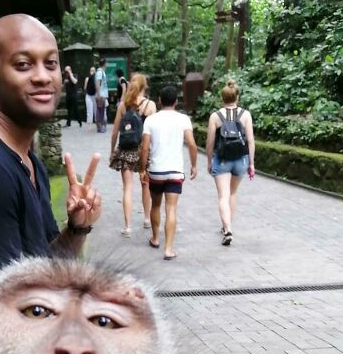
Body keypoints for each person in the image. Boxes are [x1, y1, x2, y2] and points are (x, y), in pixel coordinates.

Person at [0, 13, 102, 293]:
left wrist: (77, 229)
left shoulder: (29, 162)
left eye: (51, 64)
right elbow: (10, 302)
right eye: (23, 65)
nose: (42, 77)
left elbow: (45, 263)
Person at [139, 85, 198, 260]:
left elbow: (144, 148)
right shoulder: (183, 119)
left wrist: (142, 169)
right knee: (171, 208)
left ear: (159, 101)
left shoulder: (150, 120)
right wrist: (194, 165)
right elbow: (192, 145)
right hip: (175, 171)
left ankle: (156, 238)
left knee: (155, 205)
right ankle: (168, 248)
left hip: (156, 171)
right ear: (176, 102)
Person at [206, 79, 255, 246]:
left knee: (223, 196)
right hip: (241, 160)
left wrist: (209, 160)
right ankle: (227, 225)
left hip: (222, 160)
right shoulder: (245, 115)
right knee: (232, 193)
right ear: (237, 97)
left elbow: (210, 142)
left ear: (222, 98)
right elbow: (250, 141)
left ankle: (227, 229)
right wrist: (252, 164)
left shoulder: (215, 116)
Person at [109, 73, 156, 236]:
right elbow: (154, 133)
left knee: (127, 188)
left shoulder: (124, 105)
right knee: (146, 184)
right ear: (145, 87)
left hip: (125, 150)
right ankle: (147, 219)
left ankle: (128, 227)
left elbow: (115, 131)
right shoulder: (150, 105)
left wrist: (112, 150)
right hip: (143, 150)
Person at [94, 57, 108, 133]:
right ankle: (99, 127)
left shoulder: (102, 72)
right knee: (100, 111)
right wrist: (99, 94)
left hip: (103, 94)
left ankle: (100, 127)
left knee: (101, 111)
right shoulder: (100, 72)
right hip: (101, 94)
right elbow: (97, 83)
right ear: (104, 63)